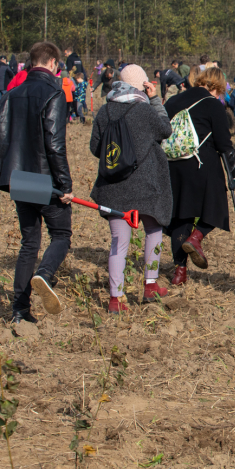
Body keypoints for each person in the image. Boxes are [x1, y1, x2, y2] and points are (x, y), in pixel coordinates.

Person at [0, 41, 74, 323]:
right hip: (45, 180)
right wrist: (65, 185)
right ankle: (44, 274)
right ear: (52, 63)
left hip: (19, 179)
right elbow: (55, 144)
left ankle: (19, 310)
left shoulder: (10, 95)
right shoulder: (54, 93)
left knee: (29, 243)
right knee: (61, 235)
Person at [89, 66, 173, 313]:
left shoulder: (105, 111)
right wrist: (155, 98)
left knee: (118, 243)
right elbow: (165, 129)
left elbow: (95, 147)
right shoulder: (145, 109)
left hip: (114, 187)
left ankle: (115, 299)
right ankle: (150, 285)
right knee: (154, 230)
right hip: (147, 185)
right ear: (143, 84)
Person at [164, 66, 235, 287]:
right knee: (217, 202)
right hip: (201, 164)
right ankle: (196, 238)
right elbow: (224, 145)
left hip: (173, 165)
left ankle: (179, 272)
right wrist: (233, 174)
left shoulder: (173, 102)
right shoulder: (212, 105)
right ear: (217, 87)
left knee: (181, 216)